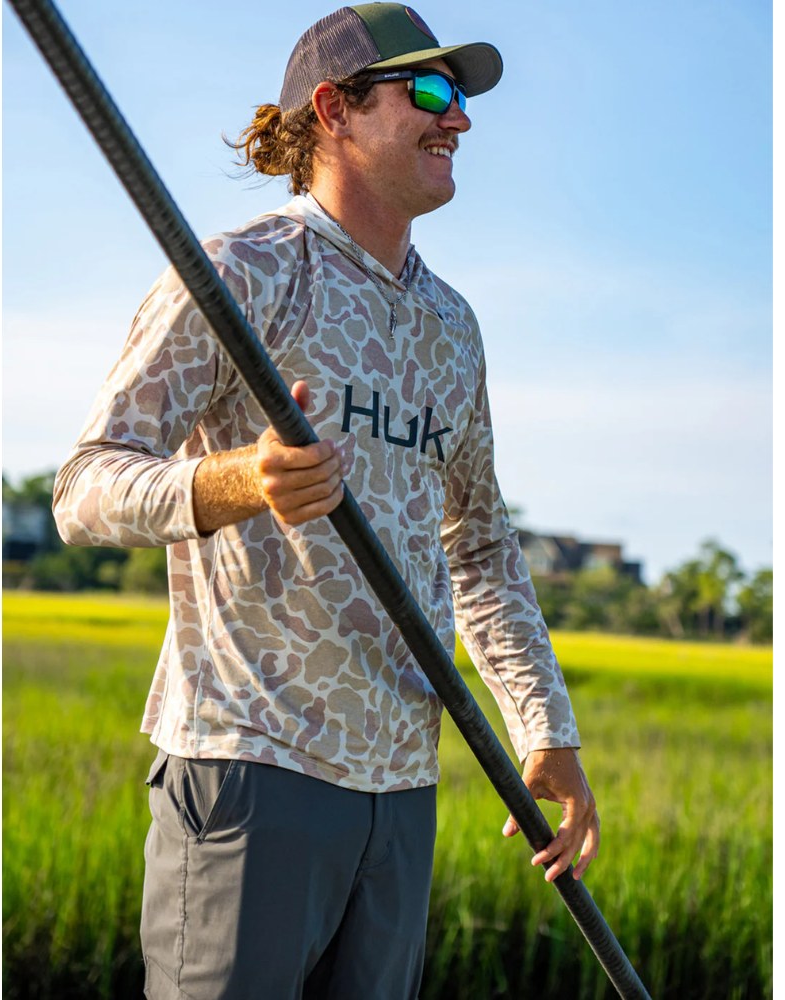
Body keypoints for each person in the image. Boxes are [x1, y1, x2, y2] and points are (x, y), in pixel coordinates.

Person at [53, 4, 599, 998]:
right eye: (428, 92)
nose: (459, 120)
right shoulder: (240, 272)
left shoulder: (451, 324)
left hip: (401, 788)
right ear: (334, 111)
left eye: (461, 95)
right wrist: (231, 483)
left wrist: (543, 727)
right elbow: (84, 487)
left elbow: (476, 545)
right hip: (252, 770)